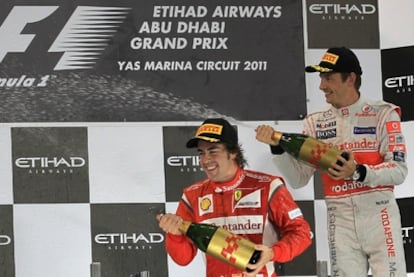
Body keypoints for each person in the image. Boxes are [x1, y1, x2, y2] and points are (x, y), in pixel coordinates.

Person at [255, 47, 408, 277]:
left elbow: (398, 171)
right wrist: (277, 149)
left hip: (380, 217)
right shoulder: (315, 123)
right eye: (321, 78)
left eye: (329, 78)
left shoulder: (383, 113)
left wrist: (358, 171)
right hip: (340, 221)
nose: (322, 86)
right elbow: (298, 180)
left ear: (351, 79)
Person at [157, 118, 312, 277]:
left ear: (233, 152)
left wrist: (272, 253)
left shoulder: (268, 186)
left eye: (213, 151)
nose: (205, 160)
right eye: (201, 153)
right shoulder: (192, 195)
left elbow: (301, 233)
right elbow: (183, 259)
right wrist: (174, 235)